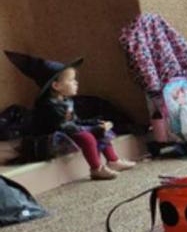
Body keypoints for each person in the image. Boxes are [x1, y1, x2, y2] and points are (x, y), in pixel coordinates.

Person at [6, 53, 136, 181]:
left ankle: (113, 160)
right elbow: (64, 127)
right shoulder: (48, 107)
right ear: (56, 86)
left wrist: (95, 123)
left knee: (101, 129)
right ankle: (96, 169)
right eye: (71, 80)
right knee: (87, 137)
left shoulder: (66, 101)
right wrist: (92, 130)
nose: (76, 83)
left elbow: (75, 121)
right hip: (49, 138)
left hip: (67, 131)